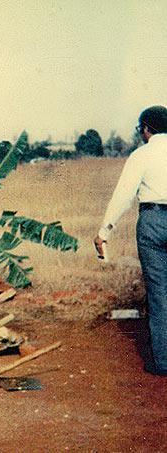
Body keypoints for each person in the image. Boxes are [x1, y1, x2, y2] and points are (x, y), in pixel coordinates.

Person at [94, 105, 167, 376]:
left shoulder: (141, 155)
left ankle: (162, 362)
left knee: (159, 293)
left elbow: (124, 196)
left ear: (147, 128)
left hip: (152, 220)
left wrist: (104, 231)